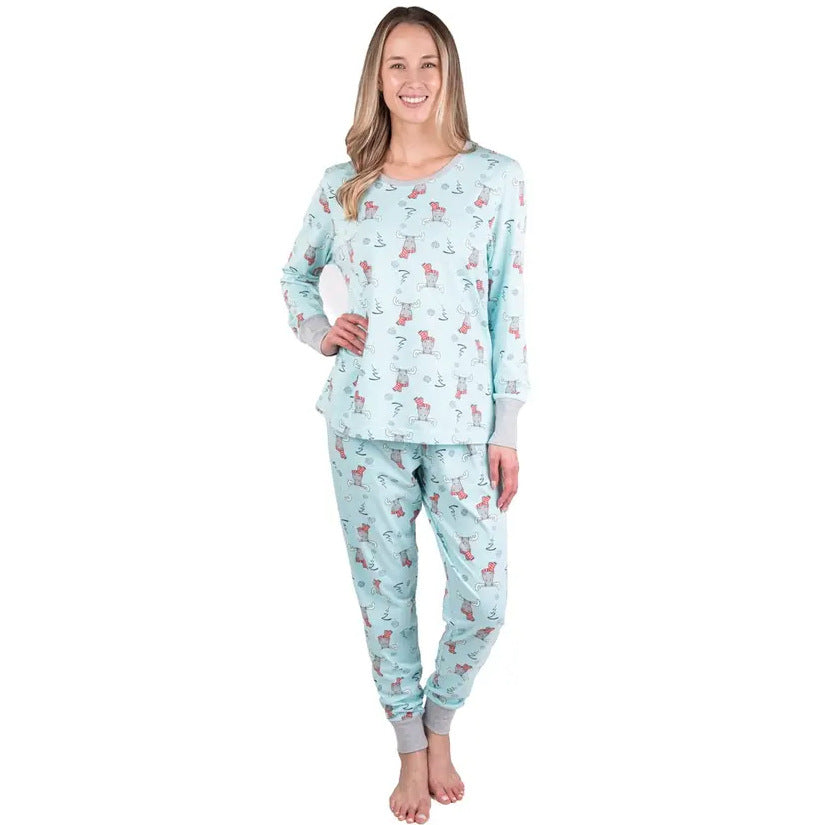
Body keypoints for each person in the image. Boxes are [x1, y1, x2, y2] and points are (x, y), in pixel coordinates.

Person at [280, 7, 530, 824]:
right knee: (383, 597)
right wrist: (322, 330)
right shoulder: (343, 184)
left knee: (484, 598)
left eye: (428, 63)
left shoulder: (494, 178)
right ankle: (410, 748)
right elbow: (295, 275)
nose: (413, 79)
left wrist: (505, 425)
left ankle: (441, 716)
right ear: (376, 78)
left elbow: (506, 302)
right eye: (396, 64)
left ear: (447, 73)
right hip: (363, 423)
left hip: (462, 428)